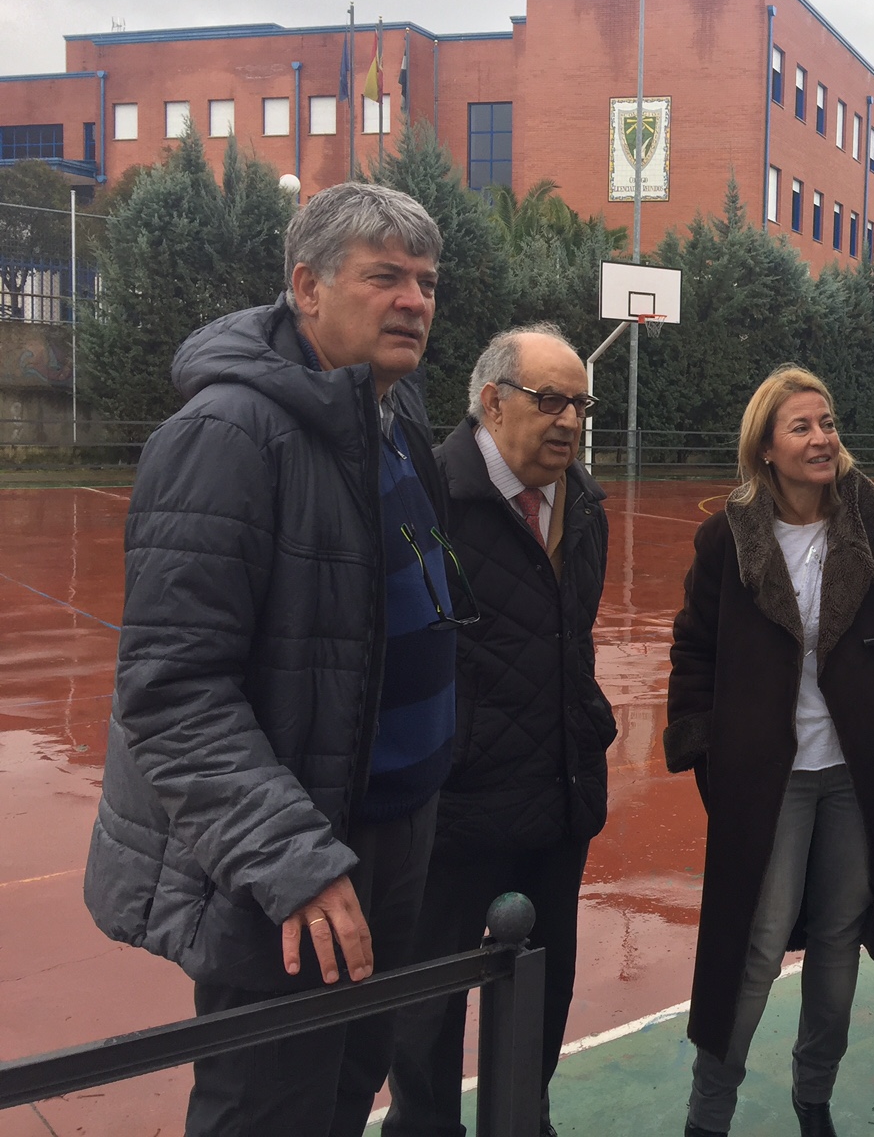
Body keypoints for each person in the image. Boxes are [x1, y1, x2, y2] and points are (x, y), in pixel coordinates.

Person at [82, 182, 455, 1137]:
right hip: (288, 864)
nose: (414, 299)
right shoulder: (224, 438)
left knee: (345, 1090)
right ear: (308, 287)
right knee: (267, 1113)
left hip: (389, 835)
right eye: (385, 277)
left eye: (425, 279)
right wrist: (293, 859)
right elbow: (173, 694)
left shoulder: (396, 418)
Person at [664, 365, 874, 1137]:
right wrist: (704, 744)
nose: (822, 438)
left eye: (827, 422)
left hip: (864, 771)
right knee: (753, 947)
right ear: (764, 447)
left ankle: (813, 1096)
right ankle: (709, 1113)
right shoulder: (726, 535)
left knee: (840, 937)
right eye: (801, 426)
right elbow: (694, 649)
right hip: (770, 775)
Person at [384, 324, 614, 1137]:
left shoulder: (584, 502)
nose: (570, 421)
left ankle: (523, 1119)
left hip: (557, 792)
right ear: (492, 403)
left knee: (544, 991)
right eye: (549, 401)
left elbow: (571, 637)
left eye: (579, 403)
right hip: (454, 805)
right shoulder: (427, 494)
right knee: (427, 1011)